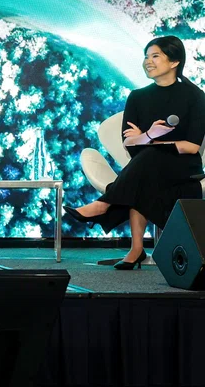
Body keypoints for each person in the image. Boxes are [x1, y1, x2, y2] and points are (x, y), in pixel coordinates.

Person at [65, 36, 205, 270]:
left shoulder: (195, 97)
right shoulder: (138, 97)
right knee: (145, 165)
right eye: (146, 56)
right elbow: (129, 144)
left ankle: (106, 205)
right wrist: (150, 135)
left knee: (145, 161)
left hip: (183, 167)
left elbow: (191, 147)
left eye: (155, 56)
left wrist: (145, 141)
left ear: (174, 62)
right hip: (146, 165)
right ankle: (136, 248)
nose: (147, 62)